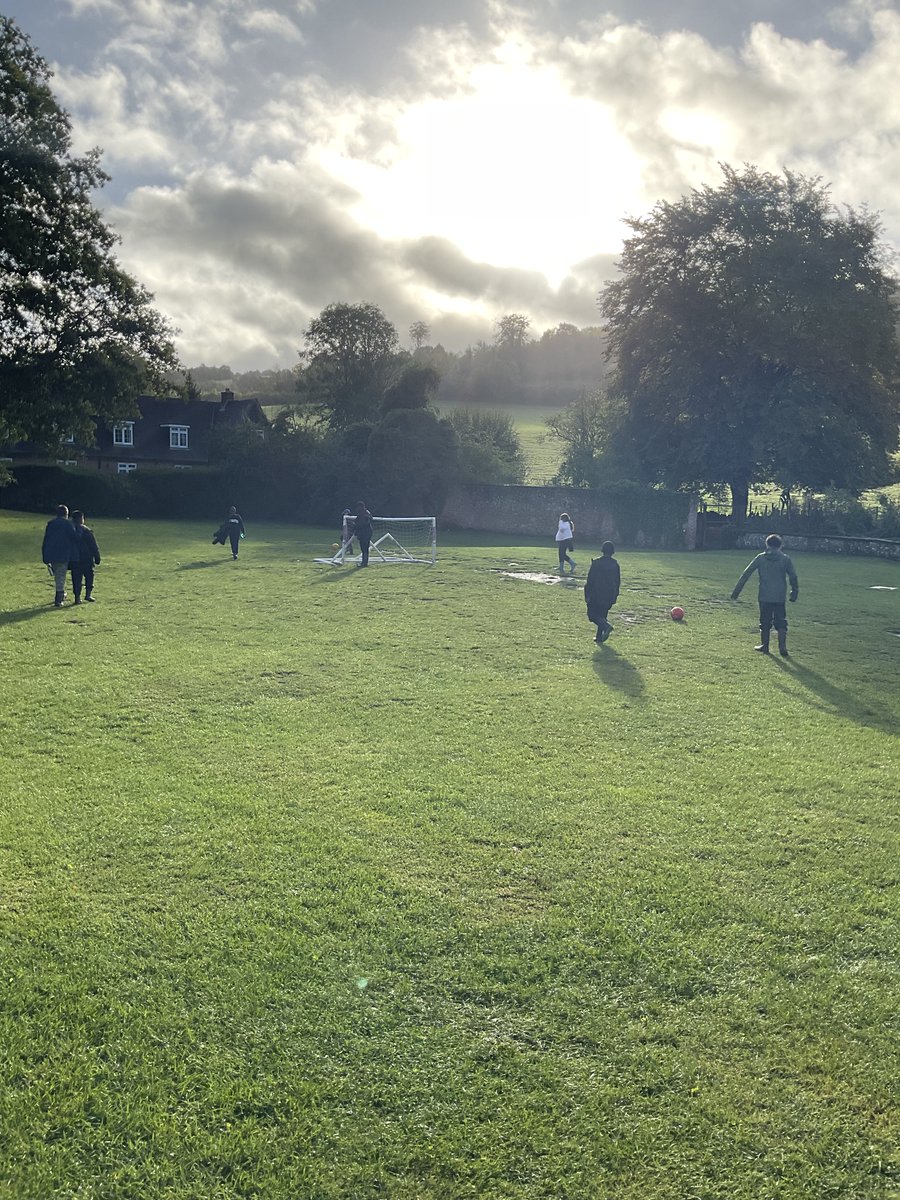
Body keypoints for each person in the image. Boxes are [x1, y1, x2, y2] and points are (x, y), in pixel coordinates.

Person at [731, 533, 799, 656]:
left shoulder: (760, 558)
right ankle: (782, 646)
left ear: (767, 544)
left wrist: (736, 592)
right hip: (779, 596)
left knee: (765, 621)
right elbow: (793, 577)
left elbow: (746, 574)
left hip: (764, 595)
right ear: (780, 545)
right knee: (781, 621)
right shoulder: (785, 559)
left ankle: (765, 645)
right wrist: (794, 592)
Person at [41, 504, 80, 607]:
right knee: (60, 576)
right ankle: (59, 598)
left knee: (59, 576)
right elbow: (74, 537)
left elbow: (46, 540)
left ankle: (62, 593)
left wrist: (45, 555)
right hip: (63, 553)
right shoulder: (68, 524)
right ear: (66, 514)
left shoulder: (51, 524)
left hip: (52, 554)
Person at [584, 541, 621, 644]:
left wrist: (587, 594)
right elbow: (617, 581)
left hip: (596, 594)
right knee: (602, 615)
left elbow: (590, 580)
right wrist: (615, 595)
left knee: (592, 615)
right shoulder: (615, 565)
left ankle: (606, 626)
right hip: (609, 594)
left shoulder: (596, 563)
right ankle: (599, 637)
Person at [69, 510, 101, 604]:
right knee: (89, 576)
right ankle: (88, 594)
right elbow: (93, 545)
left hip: (75, 558)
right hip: (87, 558)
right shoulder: (87, 531)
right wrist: (97, 557)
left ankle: (77, 597)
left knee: (76, 578)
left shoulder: (71, 531)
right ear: (81, 519)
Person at [353, 502, 373, 567]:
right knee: (363, 548)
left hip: (366, 533)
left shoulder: (365, 513)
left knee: (365, 548)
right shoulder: (363, 513)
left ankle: (364, 563)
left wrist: (356, 526)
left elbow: (364, 523)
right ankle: (364, 562)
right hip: (363, 533)